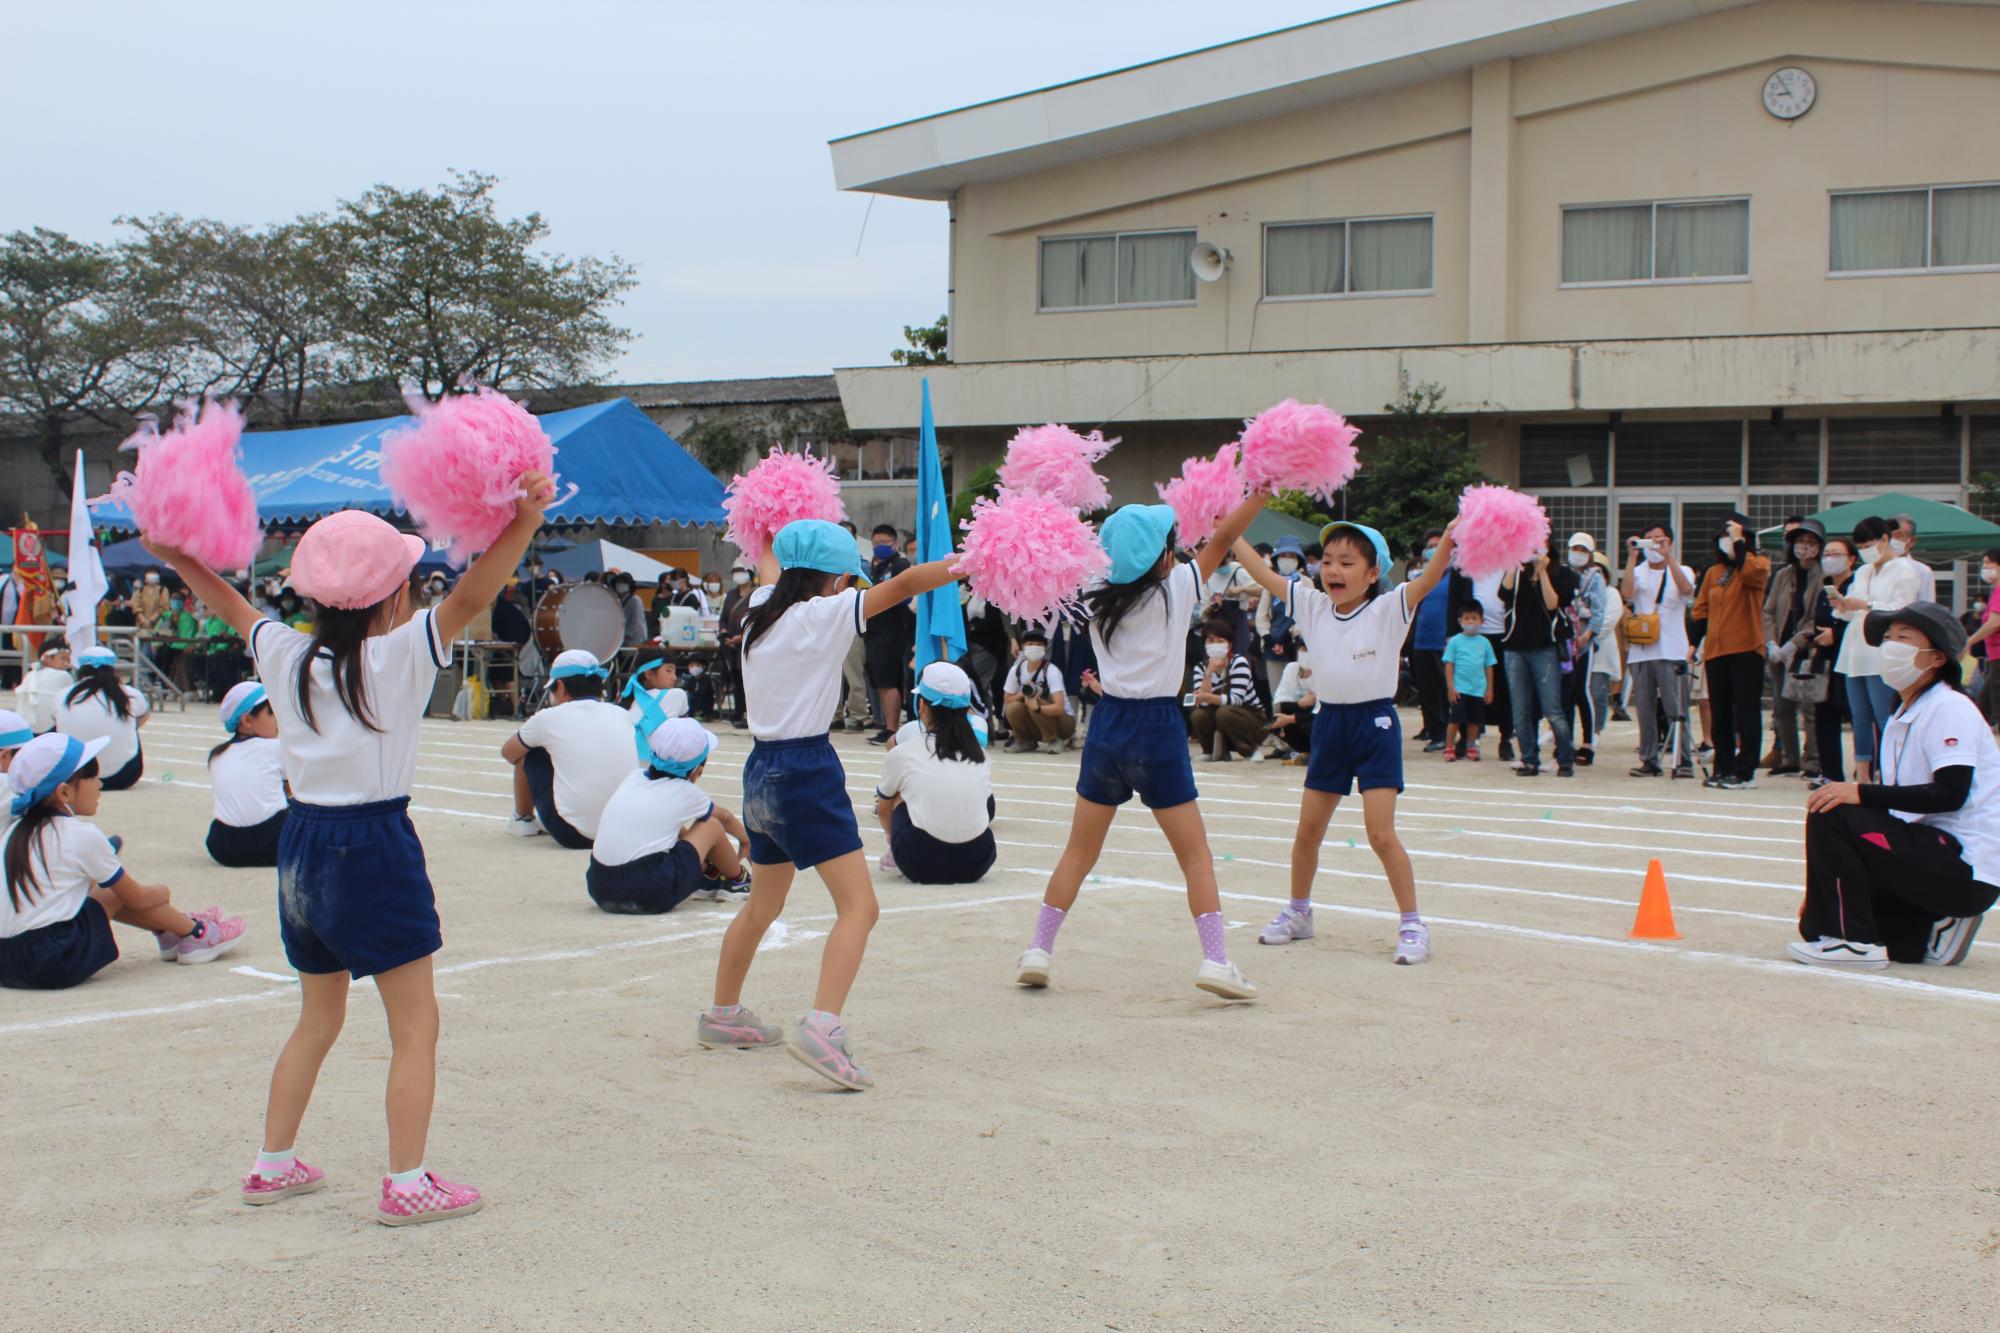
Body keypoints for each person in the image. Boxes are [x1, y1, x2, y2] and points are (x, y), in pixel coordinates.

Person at [150, 479, 554, 1224]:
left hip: (302, 843)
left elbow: (228, 603)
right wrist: (525, 519)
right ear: (393, 595)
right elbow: (471, 594)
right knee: (416, 1024)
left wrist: (175, 552)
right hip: (372, 842)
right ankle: (406, 1182)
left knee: (318, 1016)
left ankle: (273, 1163)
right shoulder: (399, 654)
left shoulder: (283, 651)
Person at [702, 518, 962, 1089]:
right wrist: (977, 562)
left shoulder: (759, 607)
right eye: (848, 580)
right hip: (806, 771)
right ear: (836, 577)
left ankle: (723, 1013)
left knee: (761, 906)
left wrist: (769, 525)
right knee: (859, 908)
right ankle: (822, 1027)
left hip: (761, 770)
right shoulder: (822, 614)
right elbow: (906, 584)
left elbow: (773, 562)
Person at [1015, 493, 1268, 1000]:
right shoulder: (1177, 585)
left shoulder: (1092, 590)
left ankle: (1039, 950)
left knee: (1079, 852)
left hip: (1108, 725)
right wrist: (1258, 491)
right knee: (1195, 856)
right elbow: (1222, 539)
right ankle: (1216, 960)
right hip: (1158, 726)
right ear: (1165, 556)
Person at [1236, 520, 1458, 964]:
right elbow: (1262, 574)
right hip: (1330, 724)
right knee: (1308, 832)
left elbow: (1431, 576)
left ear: (1373, 574)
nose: (1333, 570)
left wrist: (1451, 537)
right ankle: (1300, 913)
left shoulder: (1390, 607)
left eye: (1347, 562)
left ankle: (1413, 923)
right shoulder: (1313, 605)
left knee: (1380, 834)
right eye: (1329, 561)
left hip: (1374, 726)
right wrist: (1231, 530)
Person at [1793, 603, 1998, 968]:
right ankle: (1940, 924)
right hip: (1930, 855)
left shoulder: (1949, 706)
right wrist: (1826, 887)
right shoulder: (1903, 714)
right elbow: (1894, 811)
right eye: (1887, 638)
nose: (1890, 646)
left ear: (1936, 658)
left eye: (1904, 638)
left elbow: (1951, 793)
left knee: (1834, 810)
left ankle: (1851, 944)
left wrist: (1859, 791)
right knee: (1816, 926)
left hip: (1963, 864)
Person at [0, 734, 246, 988]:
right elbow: (136, 897)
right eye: (92, 777)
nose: (99, 784)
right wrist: (163, 893)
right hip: (52, 961)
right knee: (112, 890)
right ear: (64, 791)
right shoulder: (79, 834)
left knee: (97, 886)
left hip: (7, 961)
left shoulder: (11, 831)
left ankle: (172, 932)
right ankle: (195, 932)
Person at [588, 716, 750, 914]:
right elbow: (723, 817)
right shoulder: (684, 792)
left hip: (600, 886)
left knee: (671, 828)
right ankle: (737, 878)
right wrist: (746, 840)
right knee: (711, 825)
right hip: (648, 892)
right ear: (697, 770)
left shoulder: (634, 778)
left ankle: (708, 874)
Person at [502, 649, 640, 849]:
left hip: (573, 835)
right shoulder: (622, 714)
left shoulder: (549, 718)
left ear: (561, 686)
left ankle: (522, 819)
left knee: (530, 752)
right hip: (622, 832)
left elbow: (510, 752)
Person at [874, 662, 996, 884]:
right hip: (978, 860)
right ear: (967, 708)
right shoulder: (980, 754)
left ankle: (893, 854)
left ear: (922, 706)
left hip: (920, 861)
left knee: (898, 793)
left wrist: (893, 839)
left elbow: (883, 811)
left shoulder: (903, 752)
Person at [1833, 517, 1922, 783]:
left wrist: (1867, 604)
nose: (1864, 550)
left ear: (1885, 539)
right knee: (1859, 716)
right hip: (1855, 651)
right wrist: (1843, 606)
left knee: (1885, 714)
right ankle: (1863, 775)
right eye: (1860, 545)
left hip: (1882, 650)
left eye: (1868, 544)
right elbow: (1851, 614)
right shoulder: (1862, 571)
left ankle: (1896, 771)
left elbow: (1902, 608)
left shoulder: (1904, 569)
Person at [1691, 514, 1770, 790]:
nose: (1728, 543)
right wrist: (1694, 641)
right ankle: (1723, 767)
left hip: (1747, 648)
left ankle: (1745, 770)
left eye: (1733, 537)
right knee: (1720, 712)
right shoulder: (1714, 572)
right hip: (1716, 650)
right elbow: (1700, 608)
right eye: (1724, 538)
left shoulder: (1757, 564)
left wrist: (1740, 545)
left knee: (1747, 712)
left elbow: (1751, 574)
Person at [1622, 525, 1696, 778]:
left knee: (1677, 708)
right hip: (1642, 650)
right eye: (1650, 540)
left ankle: (1683, 760)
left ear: (1670, 542)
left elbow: (1687, 590)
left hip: (1672, 649)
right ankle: (1649, 759)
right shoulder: (1639, 571)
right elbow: (1627, 593)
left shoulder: (1682, 569)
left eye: (1660, 540)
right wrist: (1632, 557)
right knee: (1645, 708)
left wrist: (1669, 558)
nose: (1654, 545)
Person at [1499, 542, 1578, 778]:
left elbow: (1553, 604)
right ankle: (1529, 759)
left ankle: (1565, 758)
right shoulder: (1518, 570)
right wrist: (1515, 564)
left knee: (1552, 708)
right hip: (1515, 647)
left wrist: (1542, 570)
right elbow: (1503, 593)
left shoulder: (1563, 574)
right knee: (1521, 710)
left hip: (1545, 648)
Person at [1763, 520, 1826, 779]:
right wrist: (1771, 642)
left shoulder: (1824, 576)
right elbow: (1767, 611)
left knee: (1810, 708)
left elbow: (1817, 617)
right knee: (1783, 706)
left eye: (1810, 544)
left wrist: (1795, 644)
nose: (1804, 548)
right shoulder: (1783, 574)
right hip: (1778, 649)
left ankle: (1813, 760)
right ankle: (1789, 758)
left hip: (1807, 651)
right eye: (1800, 543)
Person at [206, 682, 288, 868]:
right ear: (247, 721)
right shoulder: (274, 748)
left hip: (225, 848)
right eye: (271, 713)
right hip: (272, 844)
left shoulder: (216, 756)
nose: (278, 720)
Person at [55, 647, 149, 791]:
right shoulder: (130, 694)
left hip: (75, 777)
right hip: (123, 776)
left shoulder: (63, 695)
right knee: (131, 724)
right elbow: (143, 717)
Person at [1806, 537, 1858, 787]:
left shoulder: (1857, 586)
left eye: (1836, 554)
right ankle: (1830, 774)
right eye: (1826, 554)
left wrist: (1835, 635)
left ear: (1851, 559)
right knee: (1825, 719)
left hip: (1852, 661)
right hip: (1826, 662)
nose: (1830, 558)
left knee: (1859, 717)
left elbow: (1860, 621)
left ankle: (1866, 771)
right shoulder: (1824, 589)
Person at [862, 523, 913, 745]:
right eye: (876, 544)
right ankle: (885, 725)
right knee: (880, 682)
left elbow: (906, 595)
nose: (879, 547)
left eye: (884, 543)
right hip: (874, 631)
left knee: (888, 681)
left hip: (893, 631)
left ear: (895, 544)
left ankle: (891, 729)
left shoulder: (900, 565)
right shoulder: (876, 567)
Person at [1187, 619, 1264, 762]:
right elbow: (1201, 704)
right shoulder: (1200, 667)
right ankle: (1210, 750)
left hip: (1249, 717)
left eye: (1220, 640)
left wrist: (1206, 697)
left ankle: (1249, 750)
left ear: (1229, 645)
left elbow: (1236, 700)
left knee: (1225, 712)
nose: (1215, 644)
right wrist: (1208, 674)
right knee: (1198, 714)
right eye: (1210, 640)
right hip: (1220, 718)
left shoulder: (1239, 662)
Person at [1562, 534, 1608, 766]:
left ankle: (1588, 743)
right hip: (1564, 639)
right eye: (1574, 548)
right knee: (1565, 693)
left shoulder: (1595, 577)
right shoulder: (1563, 573)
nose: (1577, 553)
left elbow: (1599, 610)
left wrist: (1587, 635)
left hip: (1584, 640)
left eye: (1583, 549)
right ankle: (1565, 742)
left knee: (1581, 690)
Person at [1407, 529, 1453, 752]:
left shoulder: (1456, 575)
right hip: (1421, 640)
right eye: (1431, 545)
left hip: (1443, 642)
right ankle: (1434, 731)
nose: (1434, 548)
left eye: (1439, 544)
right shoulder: (1420, 577)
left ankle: (1445, 733)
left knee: (1444, 690)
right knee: (1427, 690)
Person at [1002, 628, 1076, 753]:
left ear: (1045, 648)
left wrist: (1037, 707)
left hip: (1064, 723)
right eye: (1030, 644)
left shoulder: (1052, 671)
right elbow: (1007, 699)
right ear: (1023, 647)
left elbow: (1059, 707)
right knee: (1012, 707)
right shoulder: (1016, 670)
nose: (1034, 647)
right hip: (1036, 721)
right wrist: (1024, 693)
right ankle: (1025, 740)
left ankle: (1055, 740)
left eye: (1039, 645)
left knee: (1036, 704)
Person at [1255, 535, 1309, 698]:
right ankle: (1279, 721)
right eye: (1284, 556)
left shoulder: (1306, 583)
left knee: (1299, 689)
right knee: (1277, 692)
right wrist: (1268, 637)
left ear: (1298, 560)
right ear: (1276, 559)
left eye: (1292, 556)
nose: (1287, 560)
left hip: (1296, 644)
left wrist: (1292, 632)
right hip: (1273, 644)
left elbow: (1309, 614)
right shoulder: (1271, 582)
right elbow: (1261, 614)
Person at [1442, 604, 1497, 761]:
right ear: (1460, 621)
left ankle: (1471, 746)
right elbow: (1449, 665)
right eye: (1467, 618)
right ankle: (1449, 747)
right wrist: (1451, 687)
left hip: (1478, 689)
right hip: (1460, 689)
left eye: (1474, 618)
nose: (1470, 622)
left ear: (1482, 620)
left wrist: (1489, 689)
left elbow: (1489, 666)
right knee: (1455, 720)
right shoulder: (1454, 641)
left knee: (1475, 721)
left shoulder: (1485, 643)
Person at [833, 521, 872, 733]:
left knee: (853, 673)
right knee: (832, 673)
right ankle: (835, 715)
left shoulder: (862, 566)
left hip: (851, 625)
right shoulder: (825, 565)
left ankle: (858, 715)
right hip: (829, 625)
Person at [718, 560, 758, 728]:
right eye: (736, 570)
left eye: (743, 570)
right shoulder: (731, 595)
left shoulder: (757, 593)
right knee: (735, 681)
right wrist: (724, 633)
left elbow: (759, 618)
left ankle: (750, 714)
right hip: (731, 647)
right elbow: (723, 619)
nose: (739, 573)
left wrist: (742, 637)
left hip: (749, 644)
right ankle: (738, 712)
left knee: (749, 682)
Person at [1589, 553, 1624, 737]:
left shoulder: (1612, 594)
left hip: (1600, 652)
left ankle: (1596, 731)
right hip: (1579, 650)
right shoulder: (1581, 590)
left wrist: (1587, 634)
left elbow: (1608, 621)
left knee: (1598, 694)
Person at [1965, 549, 2000, 723]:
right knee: (1986, 708)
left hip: (1998, 657)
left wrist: (1968, 641)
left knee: (1992, 708)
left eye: (1989, 563)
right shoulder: (1995, 592)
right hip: (1994, 657)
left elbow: (1994, 623)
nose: (1984, 567)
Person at [1267, 649, 1315, 761]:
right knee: (1274, 720)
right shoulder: (1292, 668)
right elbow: (1282, 704)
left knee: (1314, 724)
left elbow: (1321, 711)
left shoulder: (1324, 671)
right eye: (1302, 651)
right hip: (1301, 710)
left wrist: (1291, 718)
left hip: (1319, 715)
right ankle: (1306, 750)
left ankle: (1320, 752)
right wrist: (1300, 703)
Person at [15, 645, 73, 734]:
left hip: (27, 727)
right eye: (63, 659)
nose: (67, 664)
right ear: (46, 658)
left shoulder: (29, 675)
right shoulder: (63, 675)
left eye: (68, 660)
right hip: (51, 728)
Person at [1892, 514, 1937, 603]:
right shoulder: (1872, 569)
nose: (1892, 540)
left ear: (1912, 541)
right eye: (1889, 536)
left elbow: (1926, 609)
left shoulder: (1922, 572)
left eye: (1899, 535)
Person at [609, 571, 647, 648]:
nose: (620, 585)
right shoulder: (618, 601)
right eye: (618, 582)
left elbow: (636, 621)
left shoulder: (635, 600)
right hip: (623, 640)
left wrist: (626, 635)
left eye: (623, 582)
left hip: (636, 640)